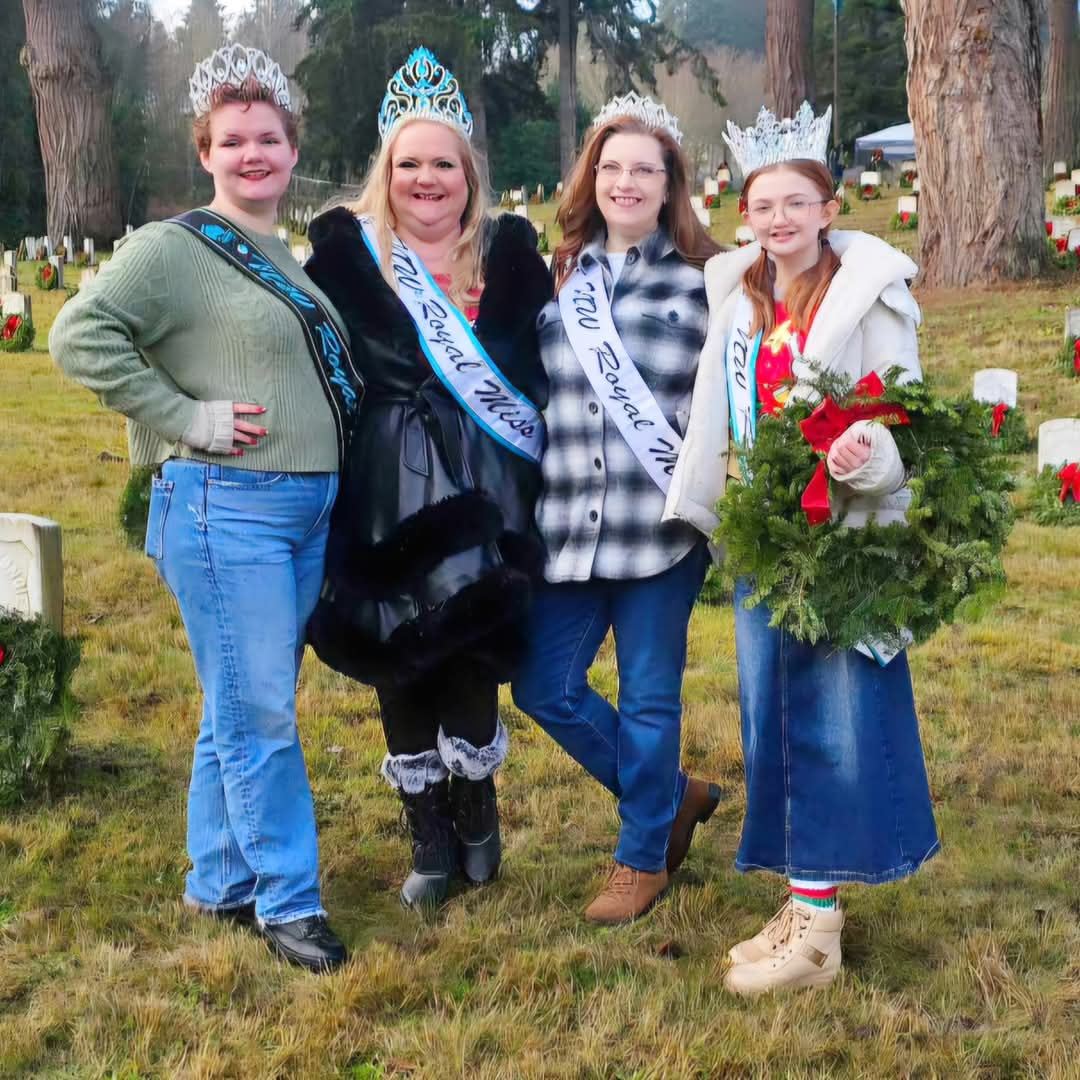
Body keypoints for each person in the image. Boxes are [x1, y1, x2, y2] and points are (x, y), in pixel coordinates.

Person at [49, 45, 362, 973]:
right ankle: (289, 902)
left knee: (236, 701)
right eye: (234, 140)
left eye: (269, 138)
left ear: (292, 150)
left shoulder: (286, 255)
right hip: (229, 507)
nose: (253, 153)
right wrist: (186, 416)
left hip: (302, 511)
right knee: (261, 709)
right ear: (207, 153)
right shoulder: (173, 247)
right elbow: (77, 335)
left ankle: (219, 880)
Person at [665, 102, 939, 994]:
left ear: (827, 207)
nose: (778, 221)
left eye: (795, 203)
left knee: (831, 720)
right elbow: (722, 411)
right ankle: (804, 899)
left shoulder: (871, 297)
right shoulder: (740, 297)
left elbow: (900, 408)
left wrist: (868, 454)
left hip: (838, 539)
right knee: (774, 717)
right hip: (760, 540)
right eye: (762, 206)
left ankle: (816, 933)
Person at [303, 47, 551, 909]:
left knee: (470, 648)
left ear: (468, 172)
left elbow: (546, 374)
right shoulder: (344, 258)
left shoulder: (513, 254)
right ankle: (430, 834)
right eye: (409, 164)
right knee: (399, 654)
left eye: (442, 162)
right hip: (383, 482)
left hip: (482, 483)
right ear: (387, 171)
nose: (426, 179)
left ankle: (478, 808)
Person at [511, 93, 723, 925]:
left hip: (659, 534)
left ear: (670, 182)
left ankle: (641, 857)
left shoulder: (712, 281)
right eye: (611, 167)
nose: (626, 181)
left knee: (648, 699)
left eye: (645, 168)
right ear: (590, 177)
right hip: (568, 529)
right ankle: (672, 796)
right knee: (544, 687)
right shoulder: (560, 275)